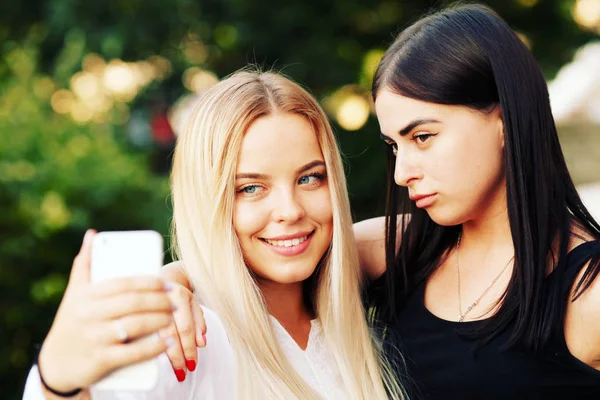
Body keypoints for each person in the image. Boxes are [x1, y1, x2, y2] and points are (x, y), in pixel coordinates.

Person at [161, 4, 600, 399]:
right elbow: (255, 253)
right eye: (394, 145)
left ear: (504, 122)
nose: (401, 171)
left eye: (422, 137)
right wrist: (172, 285)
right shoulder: (403, 248)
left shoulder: (588, 290)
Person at [23, 70, 403, 400]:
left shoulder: (346, 321)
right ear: (209, 201)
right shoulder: (186, 337)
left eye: (309, 178)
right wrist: (56, 381)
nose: (290, 210)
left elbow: (438, 229)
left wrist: (181, 271)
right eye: (250, 188)